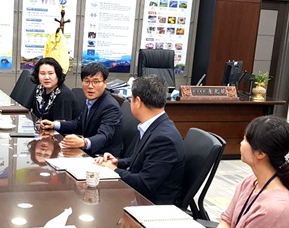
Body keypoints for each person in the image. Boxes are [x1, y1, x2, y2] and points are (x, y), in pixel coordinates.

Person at [95, 75, 184, 204]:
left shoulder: (163, 139)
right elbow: (144, 157)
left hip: (152, 205)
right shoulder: (155, 124)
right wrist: (118, 162)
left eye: (131, 99)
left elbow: (145, 184)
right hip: (140, 196)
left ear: (138, 101)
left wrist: (113, 170)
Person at [40, 62, 122, 156]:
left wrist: (84, 142)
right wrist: (55, 124)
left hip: (103, 157)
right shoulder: (91, 100)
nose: (90, 86)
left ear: (105, 83)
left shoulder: (110, 106)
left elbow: (104, 136)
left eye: (96, 82)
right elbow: (79, 124)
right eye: (86, 81)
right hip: (86, 153)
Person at [29, 57, 76, 121]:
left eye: (50, 73)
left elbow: (62, 126)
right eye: (42, 73)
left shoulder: (63, 96)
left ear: (57, 74)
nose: (46, 77)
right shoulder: (39, 90)